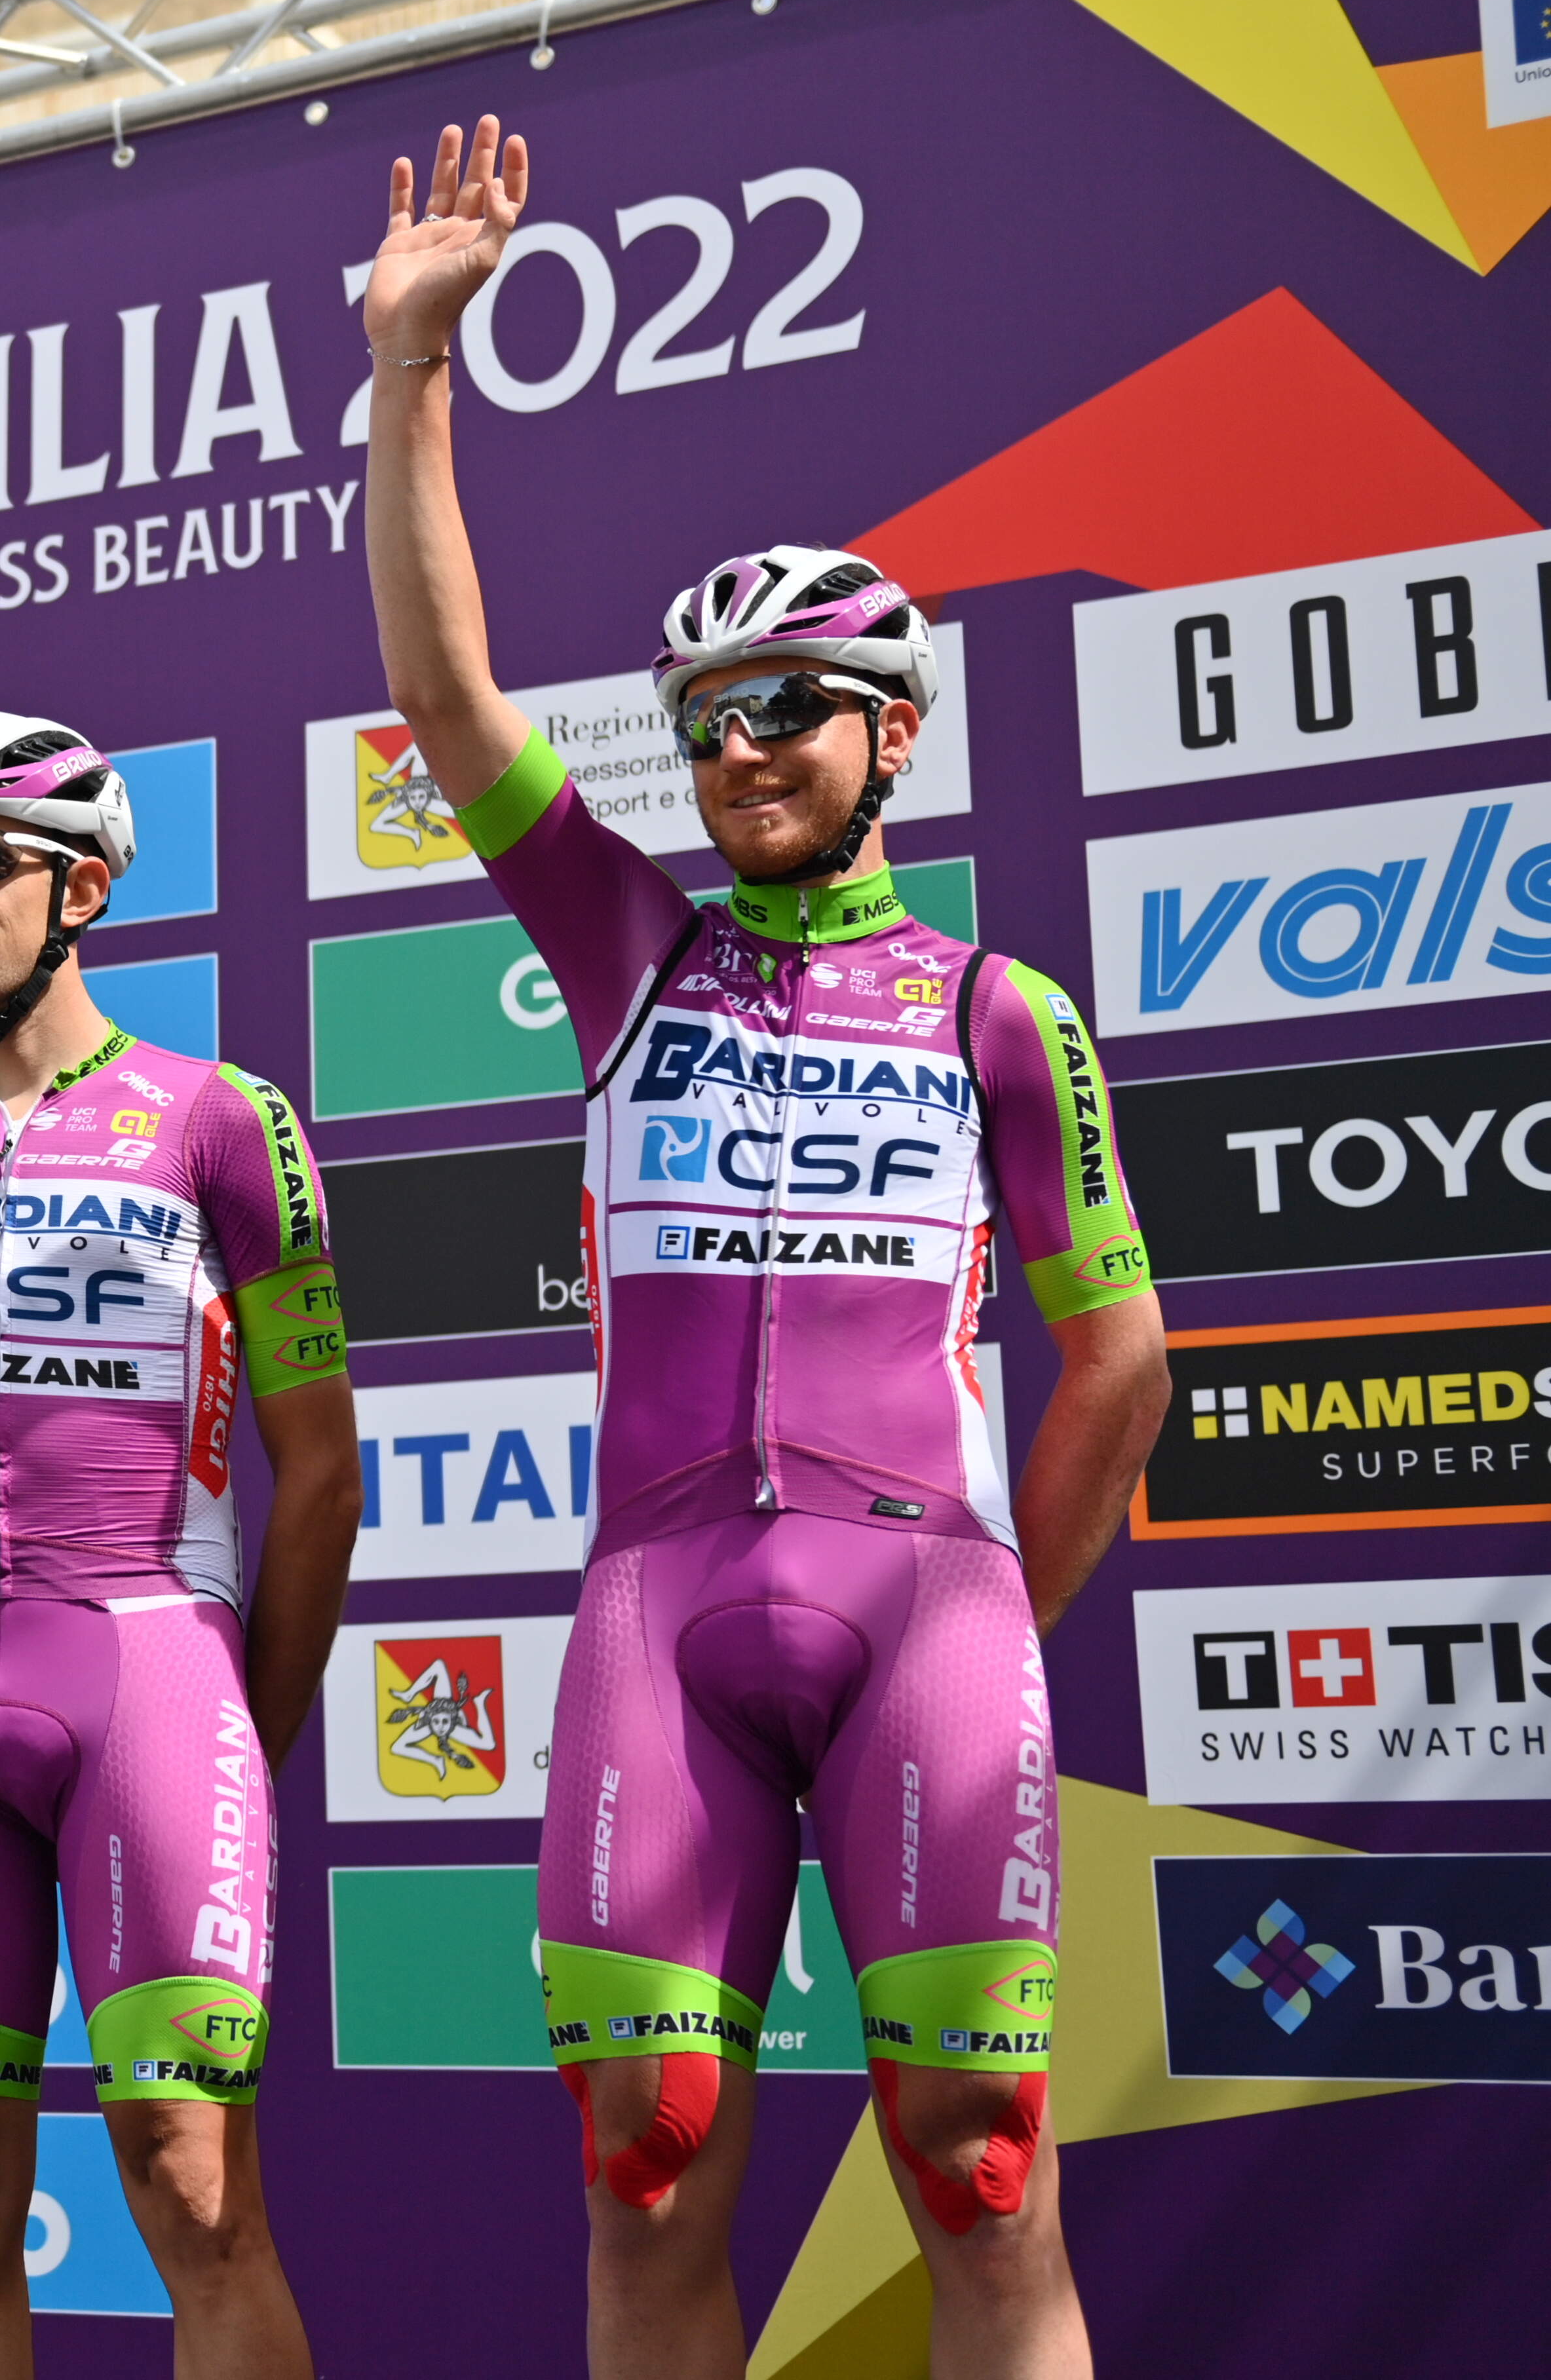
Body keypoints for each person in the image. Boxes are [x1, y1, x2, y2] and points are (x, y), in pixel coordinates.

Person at [358, 117, 1172, 2380]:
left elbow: (1114, 1358)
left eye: (781, 711)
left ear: (887, 734)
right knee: (642, 2164)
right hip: (655, 1607)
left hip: (923, 1608)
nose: (733, 750)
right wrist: (411, 369)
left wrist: (988, 1604)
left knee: (979, 2173)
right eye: (701, 719)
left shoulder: (999, 1007)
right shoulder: (628, 948)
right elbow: (444, 704)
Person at [0, 717, 362, 2379]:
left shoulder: (224, 1120)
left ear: (87, 884)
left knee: (193, 2185)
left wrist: (223, 1722)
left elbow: (322, 1467)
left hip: (149, 1665)